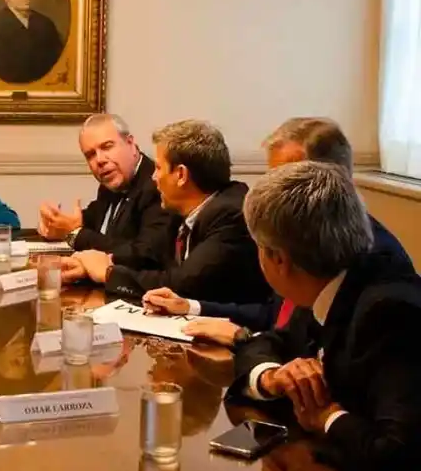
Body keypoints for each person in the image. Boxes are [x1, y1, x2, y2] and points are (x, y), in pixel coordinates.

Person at [231, 161, 421, 471]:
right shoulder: (328, 277)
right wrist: (273, 376)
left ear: (278, 259)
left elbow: (401, 459)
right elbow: (266, 342)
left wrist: (327, 416)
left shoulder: (389, 311)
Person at [141, 117, 412, 346]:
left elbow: (313, 358)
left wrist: (244, 338)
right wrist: (191, 307)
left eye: (287, 180)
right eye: (272, 179)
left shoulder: (368, 259)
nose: (273, 191)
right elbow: (275, 315)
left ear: (330, 182)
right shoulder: (297, 236)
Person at [61, 119, 269, 304]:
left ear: (180, 175)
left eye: (159, 168)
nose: (153, 177)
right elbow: (156, 263)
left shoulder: (229, 214)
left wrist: (108, 273)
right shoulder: (182, 210)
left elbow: (182, 283)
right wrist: (88, 268)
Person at [38, 113, 176, 268]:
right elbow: (88, 220)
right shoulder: (111, 182)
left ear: (130, 143)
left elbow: (144, 254)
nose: (99, 160)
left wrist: (75, 233)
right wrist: (54, 222)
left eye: (107, 147)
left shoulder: (156, 185)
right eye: (90, 155)